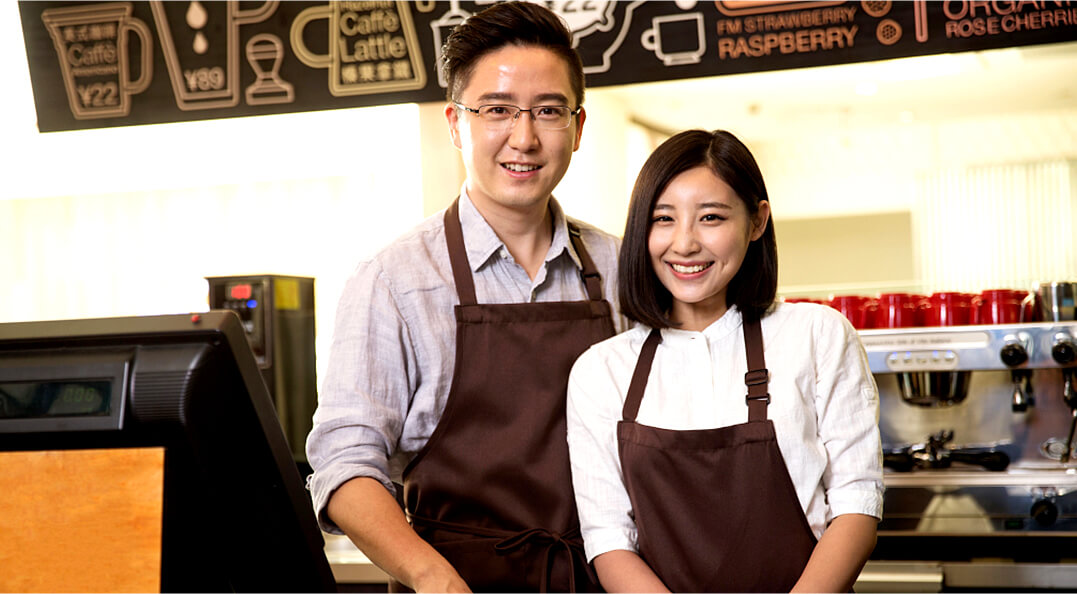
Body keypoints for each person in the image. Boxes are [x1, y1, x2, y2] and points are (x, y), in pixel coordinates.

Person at [305, 3, 628, 592]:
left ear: (578, 128)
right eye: (497, 110)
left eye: (548, 111)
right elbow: (345, 465)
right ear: (456, 124)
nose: (523, 138)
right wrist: (431, 576)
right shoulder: (393, 280)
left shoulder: (622, 268)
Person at [566, 129, 883, 592]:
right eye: (663, 218)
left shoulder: (817, 335)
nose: (685, 243)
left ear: (757, 222)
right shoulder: (601, 372)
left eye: (711, 217)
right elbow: (608, 537)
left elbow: (857, 502)